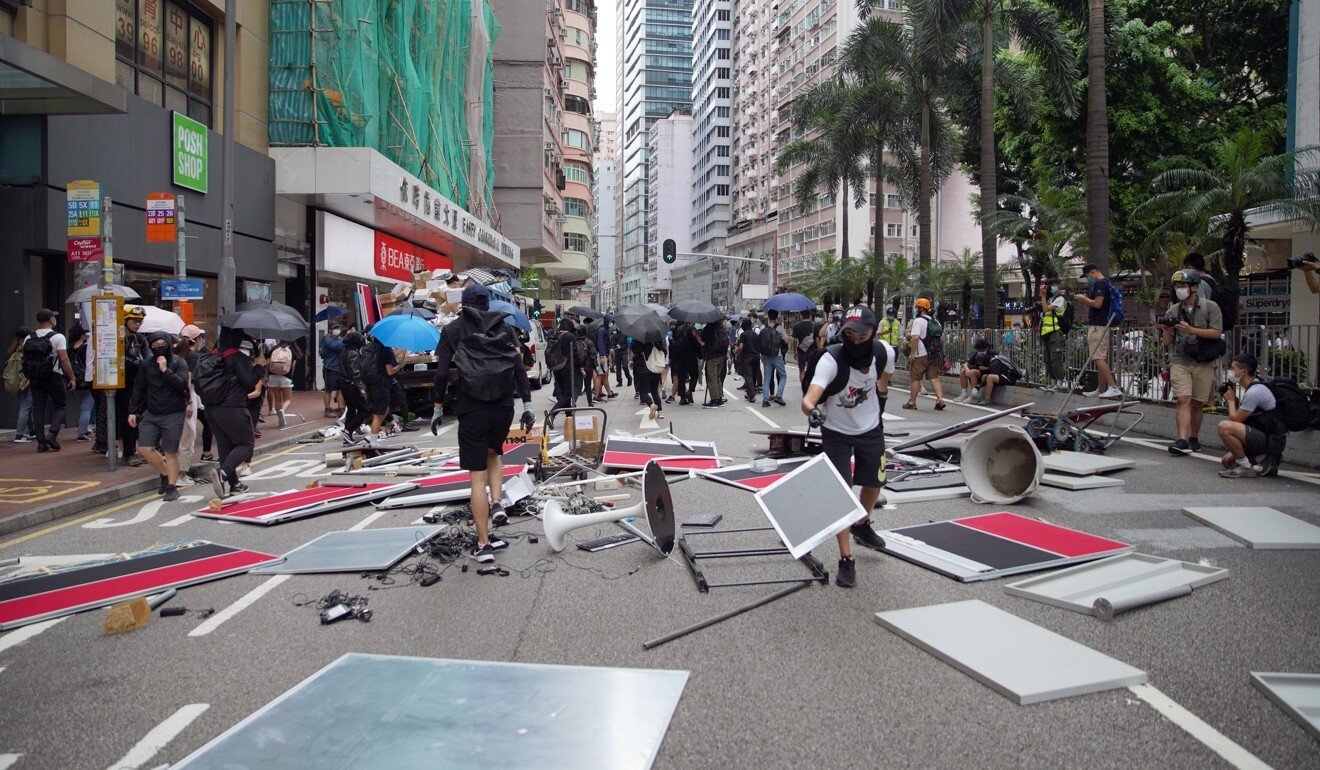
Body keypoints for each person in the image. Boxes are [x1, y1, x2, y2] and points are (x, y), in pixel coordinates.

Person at [432, 284, 534, 561]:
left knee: (476, 477)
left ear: (463, 305)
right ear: (487, 303)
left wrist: (438, 407)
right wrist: (527, 404)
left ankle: (483, 542)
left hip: (471, 408)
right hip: (503, 408)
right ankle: (498, 503)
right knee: (494, 453)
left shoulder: (452, 330)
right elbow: (518, 367)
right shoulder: (504, 327)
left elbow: (441, 374)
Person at [799, 305, 894, 589]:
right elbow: (809, 398)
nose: (853, 342)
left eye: (860, 337)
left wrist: (879, 407)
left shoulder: (884, 352)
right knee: (841, 492)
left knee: (874, 481)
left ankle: (861, 525)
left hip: (870, 428)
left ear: (872, 334)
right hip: (837, 432)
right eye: (848, 336)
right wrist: (811, 410)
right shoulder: (831, 360)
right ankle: (846, 558)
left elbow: (884, 384)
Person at [1159, 268, 1223, 456]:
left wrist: (1191, 329)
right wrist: (1166, 330)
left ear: (1194, 287)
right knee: (1182, 399)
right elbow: (1167, 343)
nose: (1179, 289)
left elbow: (1217, 333)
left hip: (1203, 359)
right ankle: (1182, 439)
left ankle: (1194, 437)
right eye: (1177, 286)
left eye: (1183, 285)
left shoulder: (1210, 307)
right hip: (1181, 358)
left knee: (1196, 402)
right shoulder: (1173, 310)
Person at [128, 332, 192, 501]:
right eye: (155, 345)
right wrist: (133, 411)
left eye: (163, 344)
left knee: (170, 452)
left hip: (173, 412)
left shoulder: (179, 362)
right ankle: (164, 474)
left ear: (170, 345)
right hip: (151, 412)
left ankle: (172, 486)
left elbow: (182, 386)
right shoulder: (146, 364)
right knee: (144, 448)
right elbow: (139, 388)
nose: (159, 348)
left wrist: (165, 370)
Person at [202, 328, 263, 498]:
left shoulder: (211, 356)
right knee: (246, 443)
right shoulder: (237, 357)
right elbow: (249, 381)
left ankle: (234, 484)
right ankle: (222, 474)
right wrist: (259, 367)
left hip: (211, 408)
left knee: (226, 447)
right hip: (233, 407)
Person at [1216, 353, 1284, 478]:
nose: (1230, 371)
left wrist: (1231, 402)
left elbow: (1236, 420)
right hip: (1264, 434)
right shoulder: (1255, 386)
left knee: (1224, 427)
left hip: (1272, 439)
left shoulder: (1254, 392)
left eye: (1232, 368)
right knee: (1227, 462)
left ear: (1244, 372)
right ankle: (1268, 459)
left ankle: (1245, 467)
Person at [23, 309, 76, 452]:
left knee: (38, 407)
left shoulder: (29, 337)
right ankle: (52, 434)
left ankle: (41, 442)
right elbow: (64, 359)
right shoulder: (58, 337)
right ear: (51, 319)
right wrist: (72, 377)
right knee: (61, 405)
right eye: (53, 317)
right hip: (53, 375)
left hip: (35, 377)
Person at [1073, 263, 1122, 398]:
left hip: (1098, 325)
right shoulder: (1107, 283)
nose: (1088, 278)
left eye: (1088, 275)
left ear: (1093, 272)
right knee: (1100, 357)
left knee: (1097, 357)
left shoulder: (1100, 284)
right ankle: (1101, 389)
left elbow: (1097, 304)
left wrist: (1083, 299)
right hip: (1102, 324)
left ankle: (1113, 387)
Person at [904, 298, 946, 410]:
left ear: (921, 308)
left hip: (921, 355)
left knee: (916, 378)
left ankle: (912, 402)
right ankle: (940, 400)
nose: (916, 309)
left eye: (917, 307)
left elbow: (916, 337)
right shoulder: (935, 321)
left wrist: (912, 353)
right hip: (934, 354)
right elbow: (942, 338)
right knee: (934, 377)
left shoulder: (918, 321)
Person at [340, 332, 373, 442]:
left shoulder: (344, 351)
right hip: (351, 385)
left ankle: (347, 435)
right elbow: (355, 373)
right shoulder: (353, 354)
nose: (362, 342)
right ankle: (348, 430)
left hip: (343, 384)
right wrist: (362, 388)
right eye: (360, 340)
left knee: (351, 409)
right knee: (364, 410)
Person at [1038, 280, 1069, 391]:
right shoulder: (1052, 299)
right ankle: (1052, 383)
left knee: (1056, 359)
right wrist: (1043, 296)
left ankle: (1059, 384)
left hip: (1056, 333)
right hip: (1047, 334)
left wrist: (1043, 297)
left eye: (1053, 285)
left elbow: (1046, 309)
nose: (1051, 288)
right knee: (1048, 359)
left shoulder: (1061, 299)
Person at [6, 326, 36, 443]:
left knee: (27, 406)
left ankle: (32, 430)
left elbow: (7, 355)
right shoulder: (27, 346)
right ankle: (19, 435)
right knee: (26, 407)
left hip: (16, 381)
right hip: (27, 380)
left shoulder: (14, 348)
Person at [67, 325, 94, 441]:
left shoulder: (68, 349)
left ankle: (84, 429)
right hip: (85, 380)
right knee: (87, 408)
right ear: (82, 335)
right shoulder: (85, 348)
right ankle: (81, 433)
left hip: (73, 380)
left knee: (82, 407)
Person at [759, 309, 790, 407]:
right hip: (777, 355)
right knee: (783, 376)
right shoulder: (780, 327)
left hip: (766, 356)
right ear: (776, 317)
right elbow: (786, 341)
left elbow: (760, 341)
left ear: (768, 317)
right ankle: (779, 395)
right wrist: (788, 337)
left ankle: (765, 400)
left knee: (767, 378)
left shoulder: (763, 327)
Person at [549, 316, 578, 415]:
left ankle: (569, 417)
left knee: (563, 393)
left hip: (556, 367)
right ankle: (552, 413)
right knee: (567, 395)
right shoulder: (570, 336)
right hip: (567, 368)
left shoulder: (554, 335)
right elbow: (575, 353)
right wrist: (580, 366)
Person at [631, 336, 665, 421]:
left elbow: (635, 352)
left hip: (643, 369)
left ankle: (651, 405)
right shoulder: (657, 338)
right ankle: (660, 412)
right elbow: (664, 351)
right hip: (655, 368)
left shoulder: (638, 338)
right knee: (654, 391)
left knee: (643, 391)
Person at [696, 319, 728, 407]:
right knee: (717, 378)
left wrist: (696, 336)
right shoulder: (721, 328)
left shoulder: (708, 328)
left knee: (711, 378)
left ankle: (714, 400)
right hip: (722, 356)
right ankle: (720, 399)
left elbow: (703, 343)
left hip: (712, 356)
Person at [265, 340, 296, 427]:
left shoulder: (274, 349)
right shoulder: (292, 350)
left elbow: (267, 363)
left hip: (273, 377)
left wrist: (267, 375)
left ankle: (280, 420)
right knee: (287, 399)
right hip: (286, 377)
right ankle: (282, 411)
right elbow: (293, 366)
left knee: (278, 399)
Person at [669, 321, 700, 405]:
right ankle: (690, 391)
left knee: (681, 378)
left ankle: (682, 398)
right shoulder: (693, 330)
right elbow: (696, 345)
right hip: (691, 357)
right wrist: (700, 354)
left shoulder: (678, 329)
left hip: (679, 357)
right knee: (694, 375)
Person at [955, 339, 995, 404]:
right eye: (978, 350)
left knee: (973, 372)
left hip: (987, 373)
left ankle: (973, 396)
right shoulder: (977, 354)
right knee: (963, 371)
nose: (979, 351)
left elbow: (995, 366)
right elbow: (966, 364)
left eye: (980, 350)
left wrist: (986, 368)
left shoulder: (992, 354)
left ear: (985, 348)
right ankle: (963, 394)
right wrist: (967, 369)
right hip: (978, 371)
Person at [320, 324, 345, 418]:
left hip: (340, 368)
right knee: (328, 390)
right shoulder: (328, 339)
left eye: (338, 328)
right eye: (335, 328)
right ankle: (327, 410)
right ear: (330, 330)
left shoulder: (340, 339)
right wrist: (346, 339)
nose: (337, 330)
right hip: (330, 368)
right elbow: (337, 346)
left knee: (340, 389)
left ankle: (341, 408)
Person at [734, 318, 760, 402]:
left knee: (748, 376)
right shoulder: (755, 334)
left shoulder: (743, 334)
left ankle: (751, 396)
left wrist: (737, 352)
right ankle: (750, 394)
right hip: (756, 356)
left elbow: (741, 346)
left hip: (747, 357)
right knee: (754, 375)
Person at [594, 315, 617, 401]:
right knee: (600, 375)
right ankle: (596, 396)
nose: (612, 323)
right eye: (611, 321)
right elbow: (601, 343)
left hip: (603, 354)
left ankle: (609, 394)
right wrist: (602, 356)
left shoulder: (605, 329)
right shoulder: (601, 330)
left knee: (604, 375)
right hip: (601, 355)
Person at [792, 312, 817, 385]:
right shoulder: (814, 326)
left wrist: (794, 352)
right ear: (809, 315)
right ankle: (809, 385)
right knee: (811, 369)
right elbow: (817, 339)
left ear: (802, 316)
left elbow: (795, 340)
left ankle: (803, 387)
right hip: (812, 351)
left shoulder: (797, 326)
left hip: (801, 351)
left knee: (801, 371)